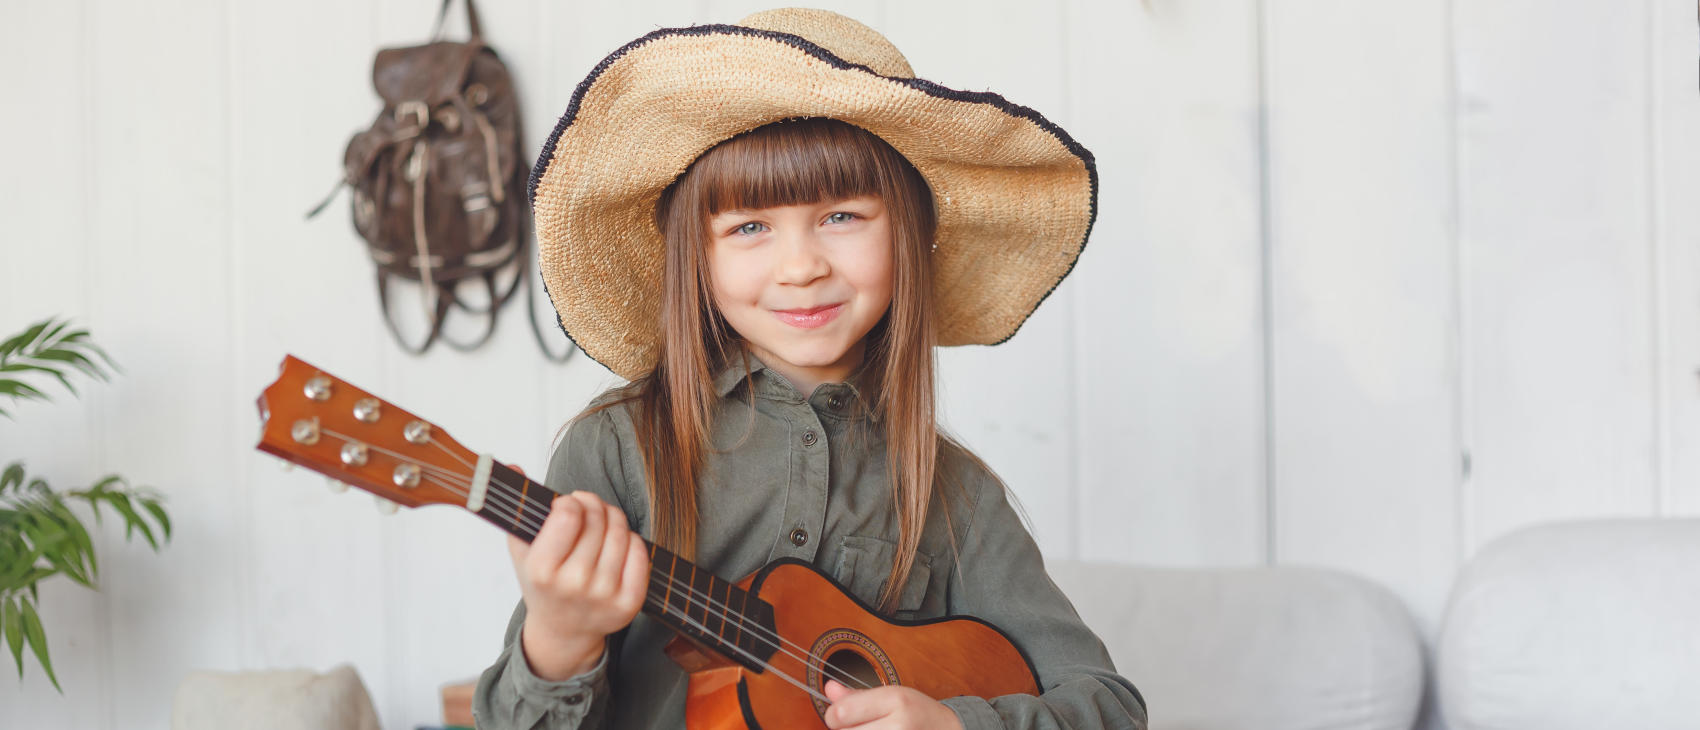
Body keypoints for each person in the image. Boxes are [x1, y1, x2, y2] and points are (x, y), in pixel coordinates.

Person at [474, 8, 1147, 730]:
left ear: (910, 232)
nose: (800, 268)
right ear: (695, 260)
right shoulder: (617, 448)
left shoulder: (955, 498)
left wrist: (956, 725)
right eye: (749, 227)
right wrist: (560, 638)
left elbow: (1110, 705)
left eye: (842, 217)